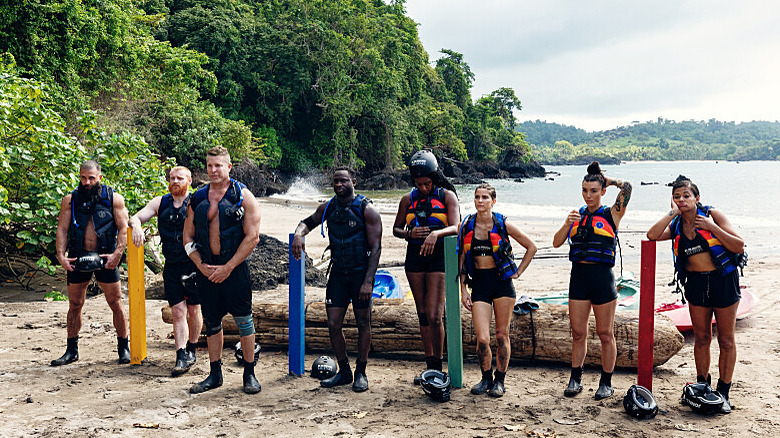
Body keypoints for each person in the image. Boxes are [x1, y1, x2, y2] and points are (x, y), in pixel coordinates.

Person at [646, 175, 744, 414]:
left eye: (686, 196)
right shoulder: (677, 223)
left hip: (723, 280)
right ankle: (703, 387)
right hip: (696, 283)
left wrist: (711, 227)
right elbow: (652, 235)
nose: (681, 200)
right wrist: (672, 213)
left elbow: (738, 245)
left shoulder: (713, 216)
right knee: (701, 339)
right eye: (677, 197)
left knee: (726, 339)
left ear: (697, 198)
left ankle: (724, 392)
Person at [292, 167, 382, 392]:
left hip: (361, 274)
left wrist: (368, 281)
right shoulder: (328, 207)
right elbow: (307, 222)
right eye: (335, 181)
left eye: (343, 180)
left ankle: (361, 372)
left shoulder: (367, 210)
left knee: (363, 323)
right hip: (338, 274)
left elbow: (376, 248)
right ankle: (344, 371)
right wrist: (298, 234)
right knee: (333, 324)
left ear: (353, 181)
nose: (339, 184)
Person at [182, 146, 262, 394]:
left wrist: (228, 267)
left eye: (218, 165)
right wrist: (199, 265)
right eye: (209, 166)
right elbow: (187, 236)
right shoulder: (197, 197)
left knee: (244, 322)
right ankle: (214, 374)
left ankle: (249, 373)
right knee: (212, 322)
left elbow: (253, 237)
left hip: (234, 270)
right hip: (206, 270)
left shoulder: (243, 196)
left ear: (229, 167)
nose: (213, 170)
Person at [552, 161, 632, 400]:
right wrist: (567, 223)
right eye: (585, 191)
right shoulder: (576, 216)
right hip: (579, 277)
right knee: (578, 333)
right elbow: (556, 242)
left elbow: (627, 188)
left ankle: (606, 382)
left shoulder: (611, 214)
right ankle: (575, 378)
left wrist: (610, 180)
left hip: (602, 279)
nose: (588, 195)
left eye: (594, 191)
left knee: (605, 333)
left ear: (603, 191)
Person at [458, 183, 537, 398]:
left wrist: (518, 272)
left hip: (502, 283)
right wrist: (463, 289)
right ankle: (486, 378)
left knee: (502, 336)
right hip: (480, 284)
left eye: (485, 197)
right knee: (482, 339)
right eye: (477, 197)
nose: (480, 201)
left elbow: (531, 246)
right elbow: (463, 259)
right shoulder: (466, 225)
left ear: (493, 201)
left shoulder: (502, 224)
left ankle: (500, 380)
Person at [52, 160, 131, 366]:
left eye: (91, 178)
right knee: (75, 304)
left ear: (100, 178)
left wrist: (117, 254)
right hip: (78, 255)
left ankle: (124, 348)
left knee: (115, 302)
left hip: (106, 256)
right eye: (83, 178)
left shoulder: (114, 199)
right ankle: (71, 350)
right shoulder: (70, 200)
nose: (86, 182)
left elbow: (124, 228)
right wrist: (61, 255)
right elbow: (62, 228)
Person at [391, 150, 459, 379]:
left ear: (435, 177)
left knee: (434, 315)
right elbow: (396, 229)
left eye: (427, 183)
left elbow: (456, 226)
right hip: (414, 258)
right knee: (421, 313)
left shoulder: (447, 196)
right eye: (419, 184)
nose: (423, 188)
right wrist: (409, 234)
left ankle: (438, 367)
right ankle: (428, 364)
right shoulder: (407, 199)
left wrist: (436, 234)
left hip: (438, 258)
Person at [129, 166, 202, 376]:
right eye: (172, 178)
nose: (175, 181)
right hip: (171, 264)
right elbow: (135, 217)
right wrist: (136, 227)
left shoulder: (197, 202)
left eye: (180, 178)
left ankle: (192, 348)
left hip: (193, 263)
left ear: (189, 180)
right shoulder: (160, 202)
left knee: (194, 310)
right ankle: (180, 355)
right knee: (178, 311)